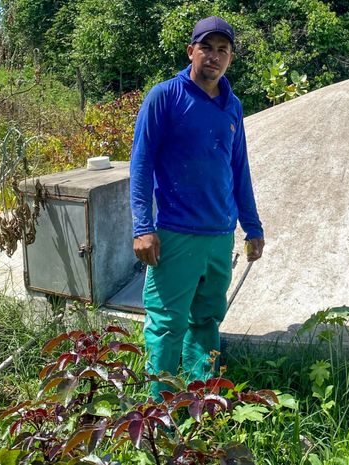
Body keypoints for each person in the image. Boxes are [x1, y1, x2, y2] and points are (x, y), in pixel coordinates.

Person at [129, 16, 265, 400]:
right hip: (175, 233)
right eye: (207, 47)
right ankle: (160, 412)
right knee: (167, 324)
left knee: (207, 320)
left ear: (231, 58)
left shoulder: (232, 105)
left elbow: (238, 167)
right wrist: (142, 227)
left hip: (219, 237)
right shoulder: (165, 97)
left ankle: (199, 399)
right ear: (191, 51)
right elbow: (140, 164)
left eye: (223, 50)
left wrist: (251, 226)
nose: (214, 56)